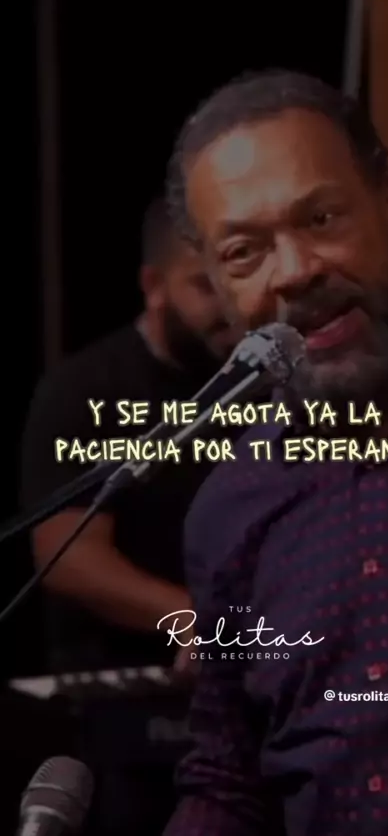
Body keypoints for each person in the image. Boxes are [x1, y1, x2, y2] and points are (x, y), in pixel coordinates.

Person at [162, 70, 388, 835]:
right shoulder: (231, 507)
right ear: (215, 283)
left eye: (323, 217)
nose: (296, 270)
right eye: (245, 252)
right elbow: (229, 776)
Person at [20, 196, 234, 676]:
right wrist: (196, 620)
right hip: (122, 676)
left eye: (235, 281)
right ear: (154, 286)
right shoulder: (84, 389)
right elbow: (66, 555)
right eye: (206, 286)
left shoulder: (267, 383)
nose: (230, 306)